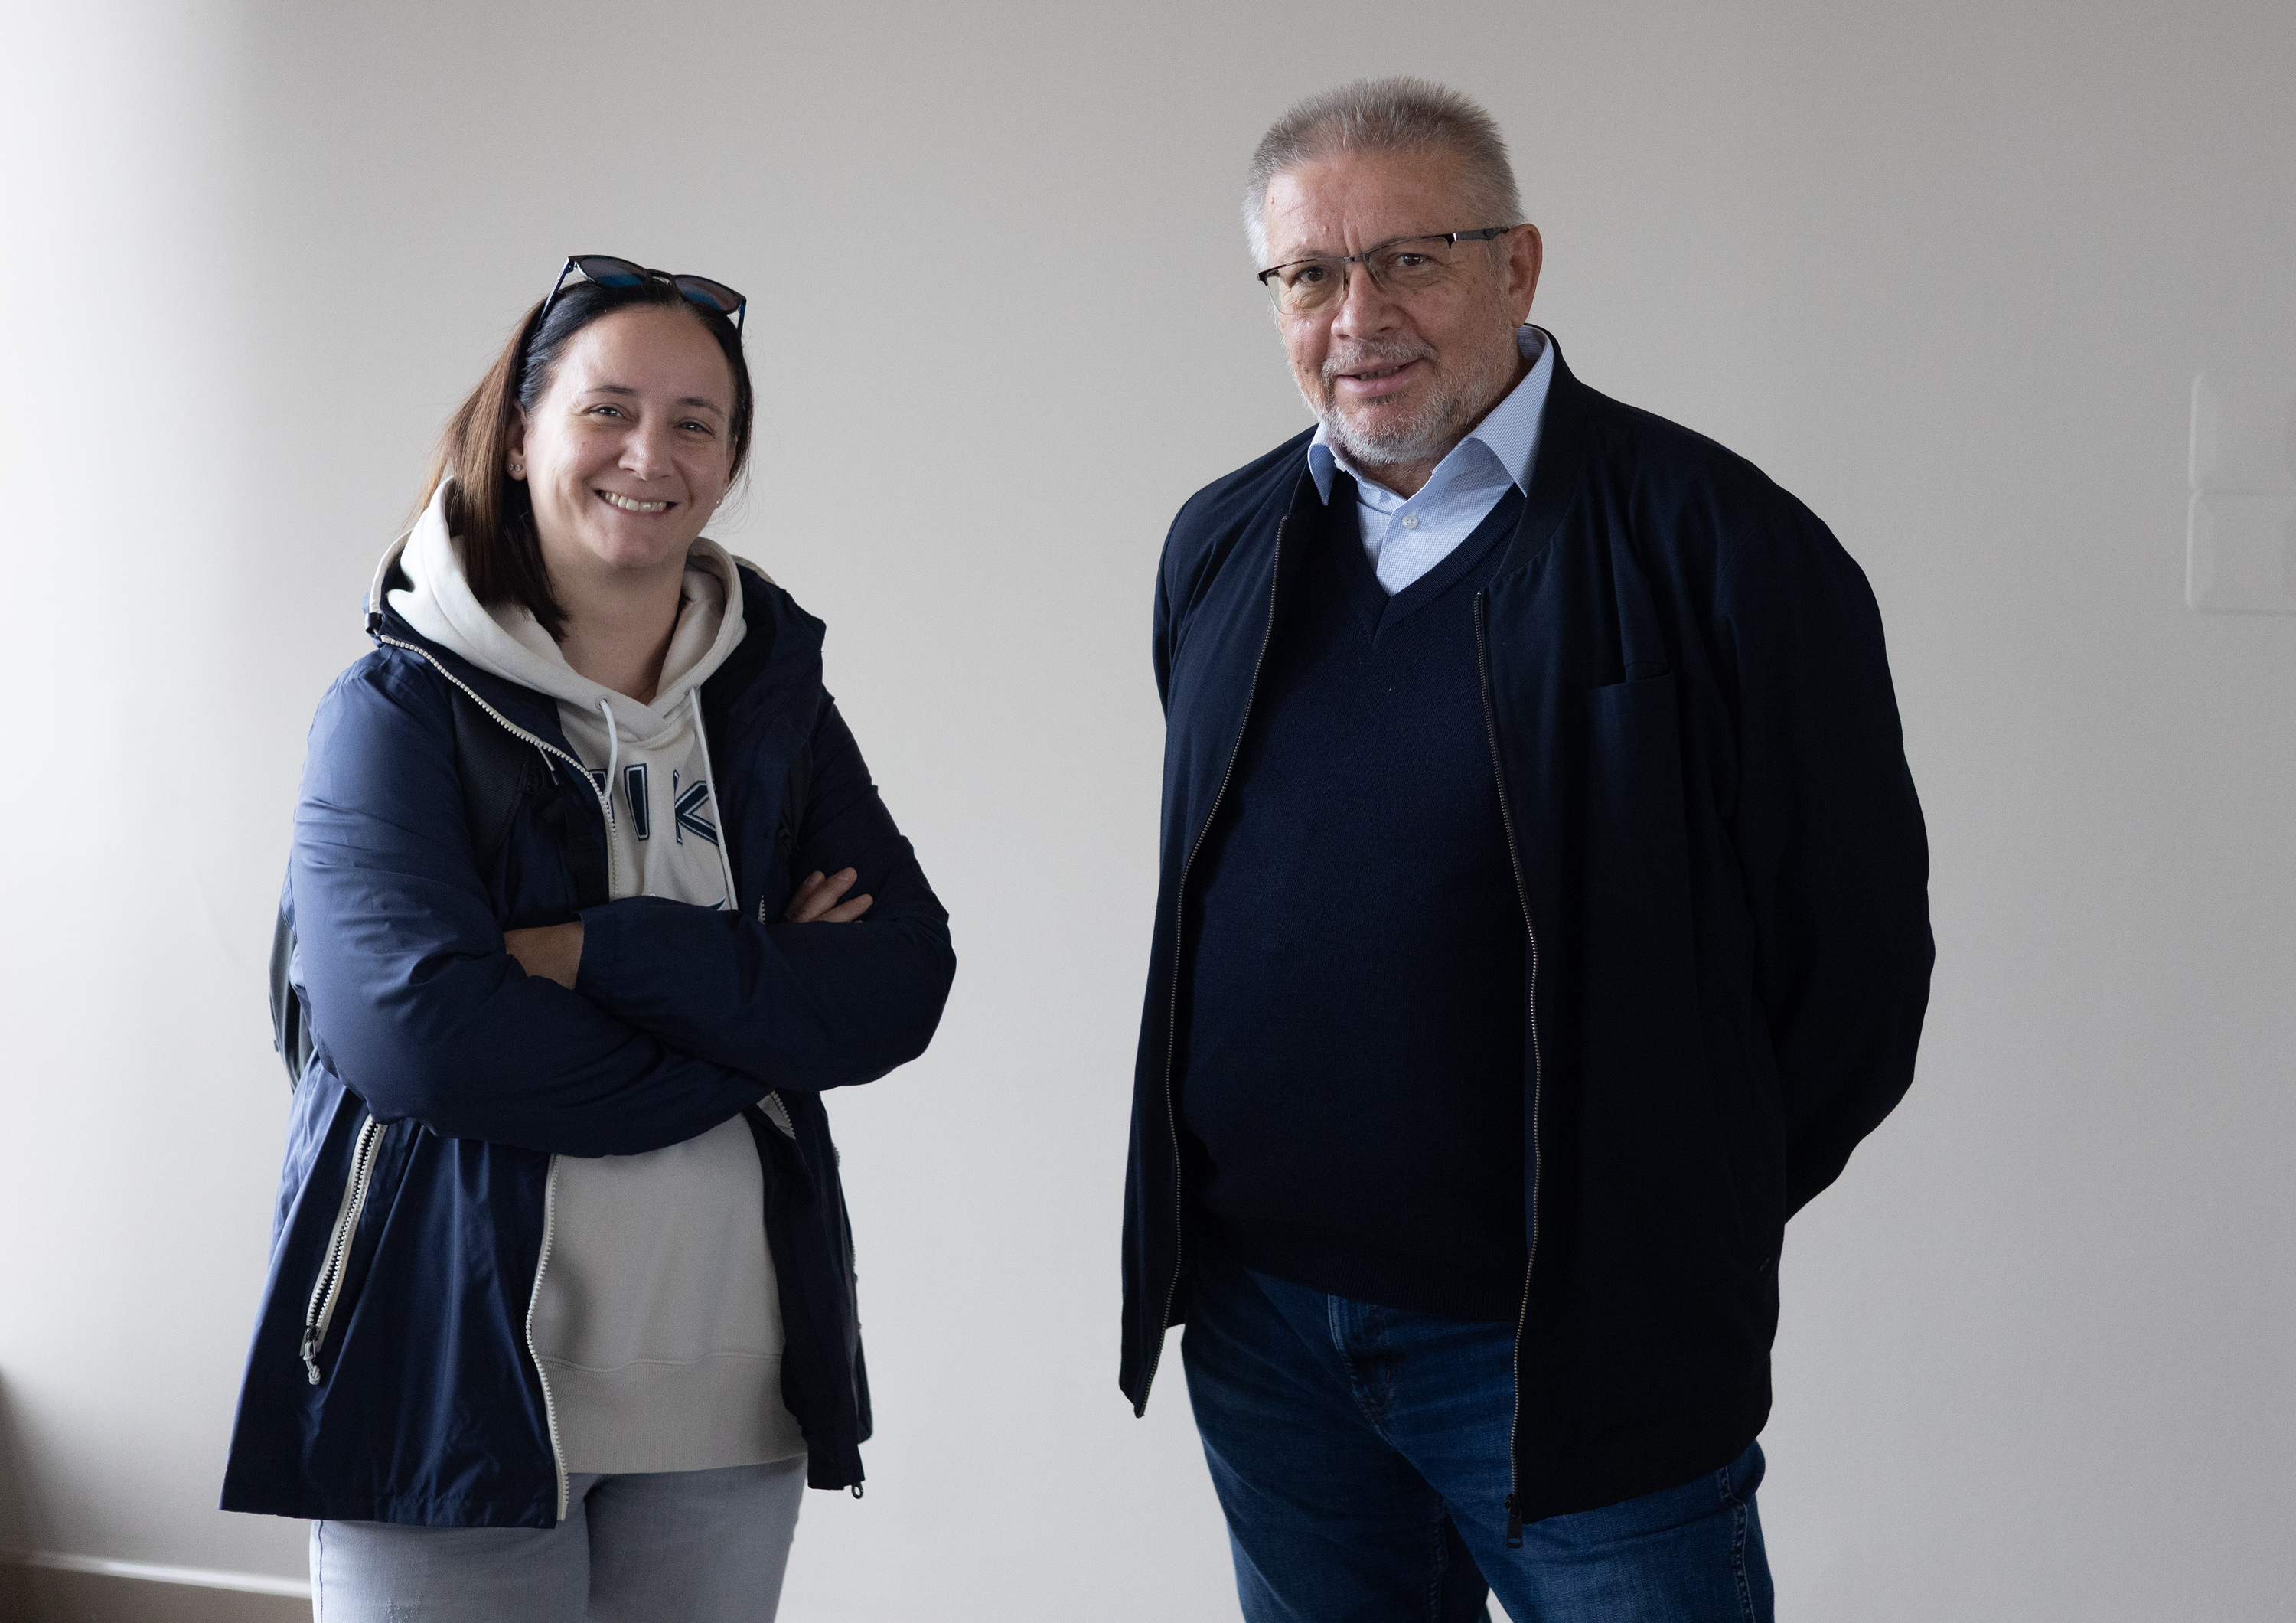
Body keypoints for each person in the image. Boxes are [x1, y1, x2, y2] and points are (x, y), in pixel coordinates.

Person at [1120, 80, 1931, 1621]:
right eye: (1309, 274)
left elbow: (1857, 976)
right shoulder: (1219, 544)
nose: (1358, 316)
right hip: (1265, 1328)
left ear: (1519, 265)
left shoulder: (1722, 546)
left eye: (1409, 258)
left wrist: (1669, 1213)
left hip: (1570, 1342)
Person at [221, 256, 955, 1620]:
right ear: (520, 435)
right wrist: (757, 1020)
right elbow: (426, 1043)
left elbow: (899, 983)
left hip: (732, 1389)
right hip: (439, 1383)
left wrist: (592, 955)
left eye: (695, 423)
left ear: (729, 463)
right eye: (607, 410)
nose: (649, 455)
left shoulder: (775, 702)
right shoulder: (394, 710)